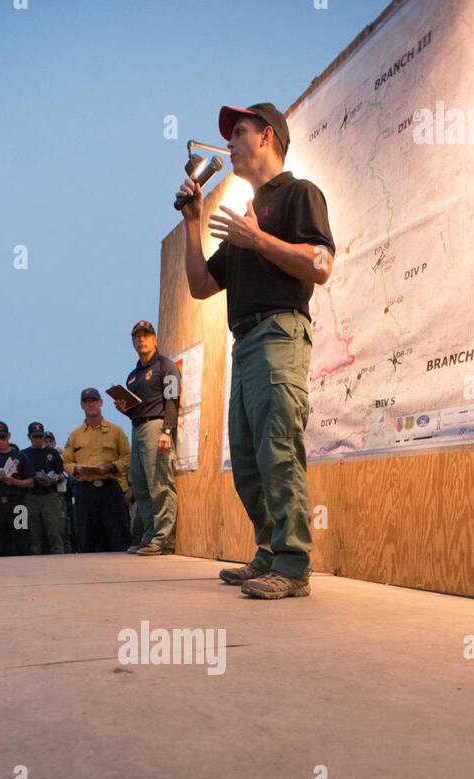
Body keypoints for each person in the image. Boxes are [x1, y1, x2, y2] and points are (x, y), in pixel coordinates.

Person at [179, 101, 335, 598]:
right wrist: (192, 220)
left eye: (239, 131)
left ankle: (293, 566)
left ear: (267, 136)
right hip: (245, 343)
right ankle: (269, 553)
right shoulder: (244, 217)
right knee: (247, 459)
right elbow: (202, 286)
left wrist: (259, 239)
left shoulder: (299, 194)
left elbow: (320, 263)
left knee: (278, 451)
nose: (229, 141)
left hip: (280, 333)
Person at [114, 320, 181, 555]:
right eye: (137, 337)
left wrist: (167, 431)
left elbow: (172, 400)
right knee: (141, 486)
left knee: (159, 483)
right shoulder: (133, 376)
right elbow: (137, 408)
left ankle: (164, 539)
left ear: (155, 340)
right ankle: (149, 536)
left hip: (157, 427)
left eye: (146, 335)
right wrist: (125, 409)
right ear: (133, 342)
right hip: (137, 427)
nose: (141, 340)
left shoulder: (166, 366)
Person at [62, 389, 131, 552]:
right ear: (81, 405)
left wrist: (111, 467)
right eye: (86, 401)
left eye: (94, 400)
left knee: (116, 538)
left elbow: (127, 458)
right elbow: (66, 461)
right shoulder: (75, 436)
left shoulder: (116, 431)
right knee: (86, 540)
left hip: (110, 490)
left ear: (101, 403)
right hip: (85, 493)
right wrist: (76, 469)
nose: (90, 404)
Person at [0, 422, 33, 557]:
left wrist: (13, 481)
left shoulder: (20, 456)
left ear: (9, 436)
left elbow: (30, 482)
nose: (0, 442)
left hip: (17, 502)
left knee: (21, 539)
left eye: (3, 438)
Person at [23, 422, 64, 554]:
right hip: (31, 496)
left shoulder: (52, 452)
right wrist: (34, 476)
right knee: (33, 534)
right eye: (35, 437)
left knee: (54, 532)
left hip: (49, 495)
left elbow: (62, 473)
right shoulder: (24, 454)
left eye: (40, 436)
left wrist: (54, 478)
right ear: (29, 437)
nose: (39, 440)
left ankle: (59, 561)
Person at [45, 431, 74, 554]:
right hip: (44, 496)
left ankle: (67, 555)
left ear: (54, 442)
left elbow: (67, 473)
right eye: (45, 441)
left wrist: (58, 476)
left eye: (50, 441)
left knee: (62, 529)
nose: (47, 444)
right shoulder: (40, 457)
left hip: (59, 495)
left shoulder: (61, 456)